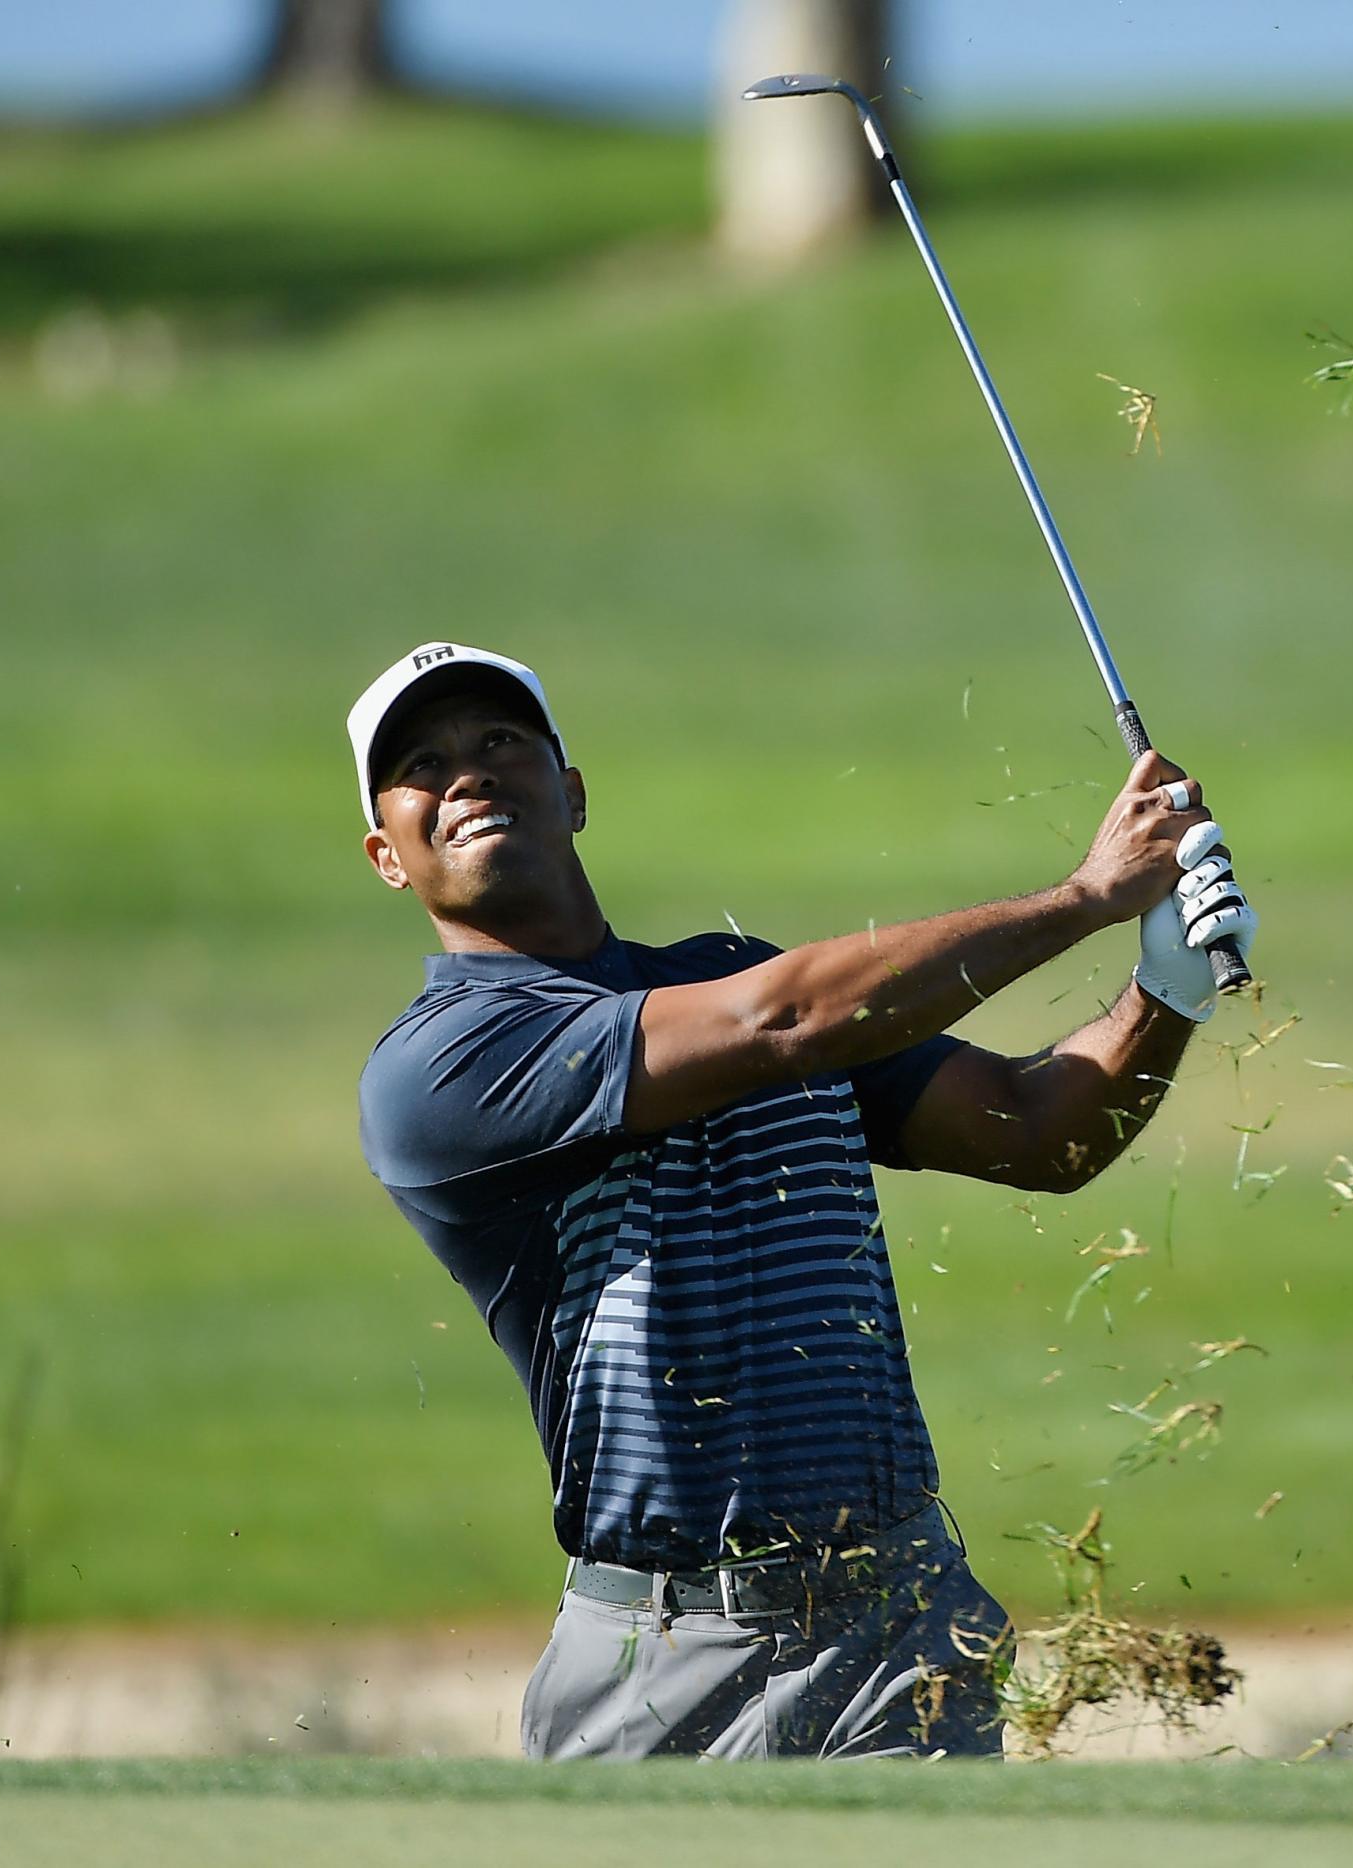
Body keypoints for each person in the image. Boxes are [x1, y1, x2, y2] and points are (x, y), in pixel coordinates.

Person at [349, 642, 1256, 1759]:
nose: (468, 776)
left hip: (901, 1622)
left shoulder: (734, 971)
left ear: (573, 791)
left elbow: (1035, 1131)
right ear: (386, 853)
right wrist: (1084, 897)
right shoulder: (439, 1067)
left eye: (499, 743)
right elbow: (778, 1022)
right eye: (423, 767)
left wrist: (1165, 987)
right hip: (661, 1656)